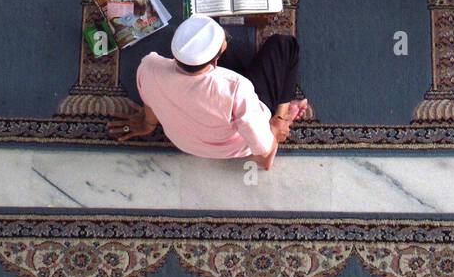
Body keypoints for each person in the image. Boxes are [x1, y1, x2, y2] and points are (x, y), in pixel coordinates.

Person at [110, 15, 308, 169]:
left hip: (185, 143)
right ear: (215, 61)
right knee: (284, 45)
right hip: (236, 145)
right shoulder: (236, 88)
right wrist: (279, 124)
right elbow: (263, 156)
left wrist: (148, 124)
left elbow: (150, 102)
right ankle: (282, 110)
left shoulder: (149, 67)